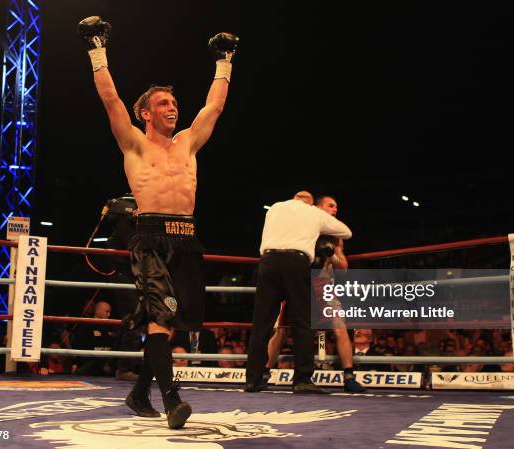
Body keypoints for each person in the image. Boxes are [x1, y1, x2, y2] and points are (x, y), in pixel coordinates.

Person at [78, 16, 238, 429]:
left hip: (187, 238)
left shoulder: (188, 142)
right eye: (164, 104)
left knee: (178, 322)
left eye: (174, 103)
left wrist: (224, 61)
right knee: (159, 318)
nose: (173, 107)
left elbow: (215, 106)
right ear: (146, 113)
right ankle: (172, 400)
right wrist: (97, 49)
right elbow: (111, 99)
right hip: (149, 236)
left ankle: (138, 392)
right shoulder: (133, 142)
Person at [245, 191, 352, 394]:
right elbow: (346, 232)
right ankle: (302, 380)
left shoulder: (275, 207)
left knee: (261, 324)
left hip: (267, 263)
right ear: (312, 204)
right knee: (302, 323)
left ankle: (252, 380)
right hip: (296, 263)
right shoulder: (313, 213)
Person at [266, 195, 365, 392]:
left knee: (340, 326)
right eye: (331, 205)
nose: (335, 209)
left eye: (337, 206)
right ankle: (264, 371)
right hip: (298, 283)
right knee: (283, 329)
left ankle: (349, 376)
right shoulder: (303, 226)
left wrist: (332, 256)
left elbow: (344, 267)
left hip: (323, 285)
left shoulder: (334, 235)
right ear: (317, 207)